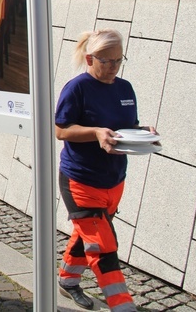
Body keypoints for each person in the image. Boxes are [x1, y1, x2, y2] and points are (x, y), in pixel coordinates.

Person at [55, 28, 154, 311]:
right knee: (103, 245)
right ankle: (122, 305)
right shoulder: (77, 88)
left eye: (118, 61)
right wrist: (96, 132)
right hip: (80, 179)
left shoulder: (125, 89)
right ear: (90, 58)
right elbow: (61, 130)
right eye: (106, 61)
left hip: (114, 180)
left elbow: (126, 128)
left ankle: (67, 281)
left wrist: (143, 132)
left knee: (86, 234)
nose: (113, 68)